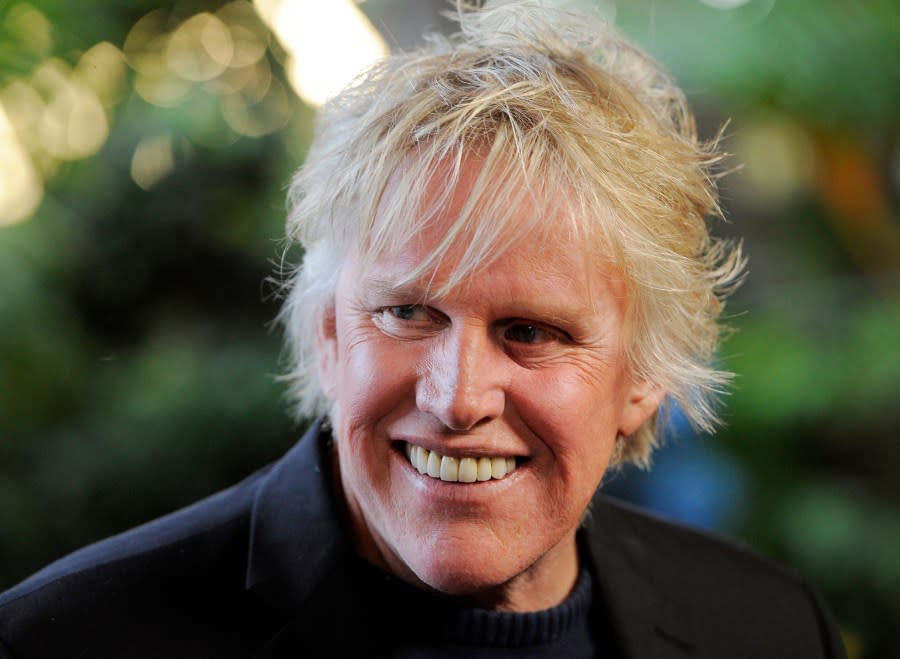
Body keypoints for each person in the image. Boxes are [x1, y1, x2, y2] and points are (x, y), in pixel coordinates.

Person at [0, 1, 846, 657]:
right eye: (408, 312)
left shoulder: (769, 627)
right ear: (329, 333)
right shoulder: (63, 638)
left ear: (642, 379)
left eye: (530, 331)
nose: (456, 397)